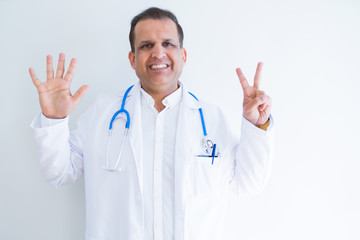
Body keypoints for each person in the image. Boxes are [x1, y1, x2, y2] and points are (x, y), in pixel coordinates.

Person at [29, 7, 273, 240]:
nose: (158, 53)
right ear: (132, 58)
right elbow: (58, 172)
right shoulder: (102, 114)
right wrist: (54, 119)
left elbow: (249, 183)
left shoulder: (211, 118)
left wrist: (257, 126)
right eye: (147, 45)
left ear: (183, 55)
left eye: (168, 44)